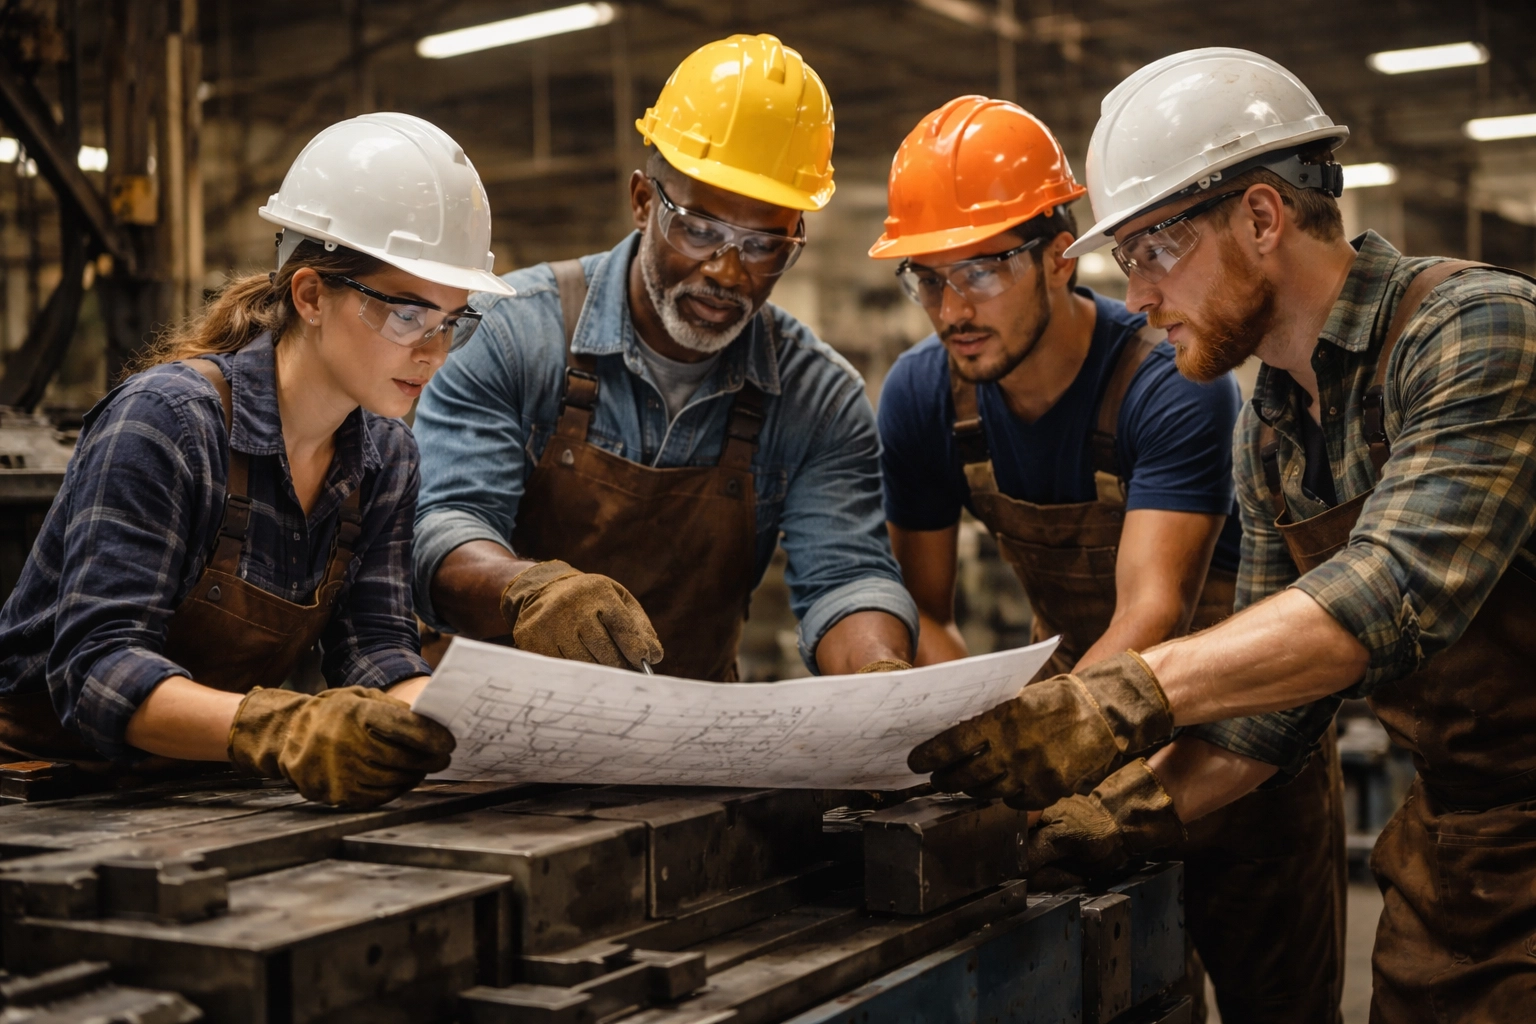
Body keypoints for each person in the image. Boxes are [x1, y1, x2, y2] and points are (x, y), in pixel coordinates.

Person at [909, 48, 1536, 1021]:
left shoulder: (1479, 332)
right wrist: (1112, 822)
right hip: (1458, 855)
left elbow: (1388, 588)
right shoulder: (1274, 423)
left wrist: (1112, 701)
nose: (1138, 298)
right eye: (1127, 262)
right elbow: (1266, 720)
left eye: (1156, 251)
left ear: (1259, 217)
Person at [873, 96, 1343, 1023]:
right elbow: (926, 616)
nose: (951, 309)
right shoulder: (926, 399)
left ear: (1060, 253)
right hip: (1086, 738)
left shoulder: (1170, 383)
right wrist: (972, 758)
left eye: (981, 270)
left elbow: (1149, 616)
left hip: (1238, 755)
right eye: (925, 279)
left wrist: (1048, 748)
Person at [0, 113, 509, 809]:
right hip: (40, 791)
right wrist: (283, 726)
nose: (435, 352)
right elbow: (98, 670)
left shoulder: (386, 458)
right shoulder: (167, 424)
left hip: (194, 789)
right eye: (407, 315)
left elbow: (377, 648)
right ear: (310, 295)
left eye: (452, 320)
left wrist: (447, 723)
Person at [412, 34, 916, 682]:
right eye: (699, 229)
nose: (727, 272)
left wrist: (878, 677)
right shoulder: (516, 335)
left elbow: (848, 579)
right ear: (643, 201)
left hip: (690, 751)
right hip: (494, 734)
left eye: (764, 246)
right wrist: (526, 591)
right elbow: (440, 529)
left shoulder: (817, 397)